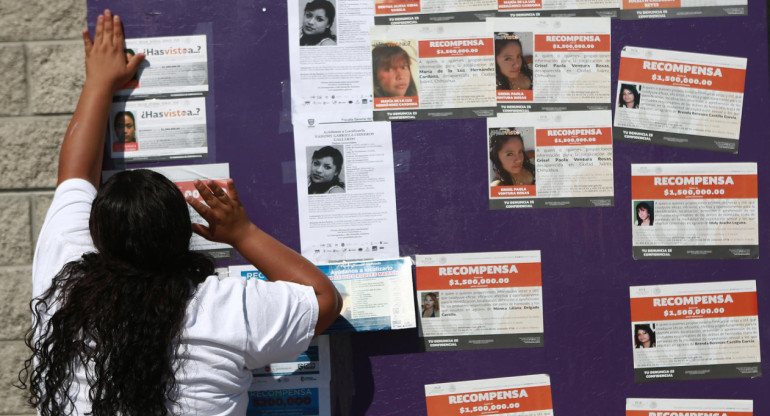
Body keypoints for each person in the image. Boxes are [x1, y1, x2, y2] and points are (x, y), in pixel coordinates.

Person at [20, 10, 341, 416]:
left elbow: (74, 175)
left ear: (97, 238)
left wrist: (99, 81)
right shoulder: (224, 307)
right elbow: (324, 299)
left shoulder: (64, 282)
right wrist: (243, 234)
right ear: (182, 233)